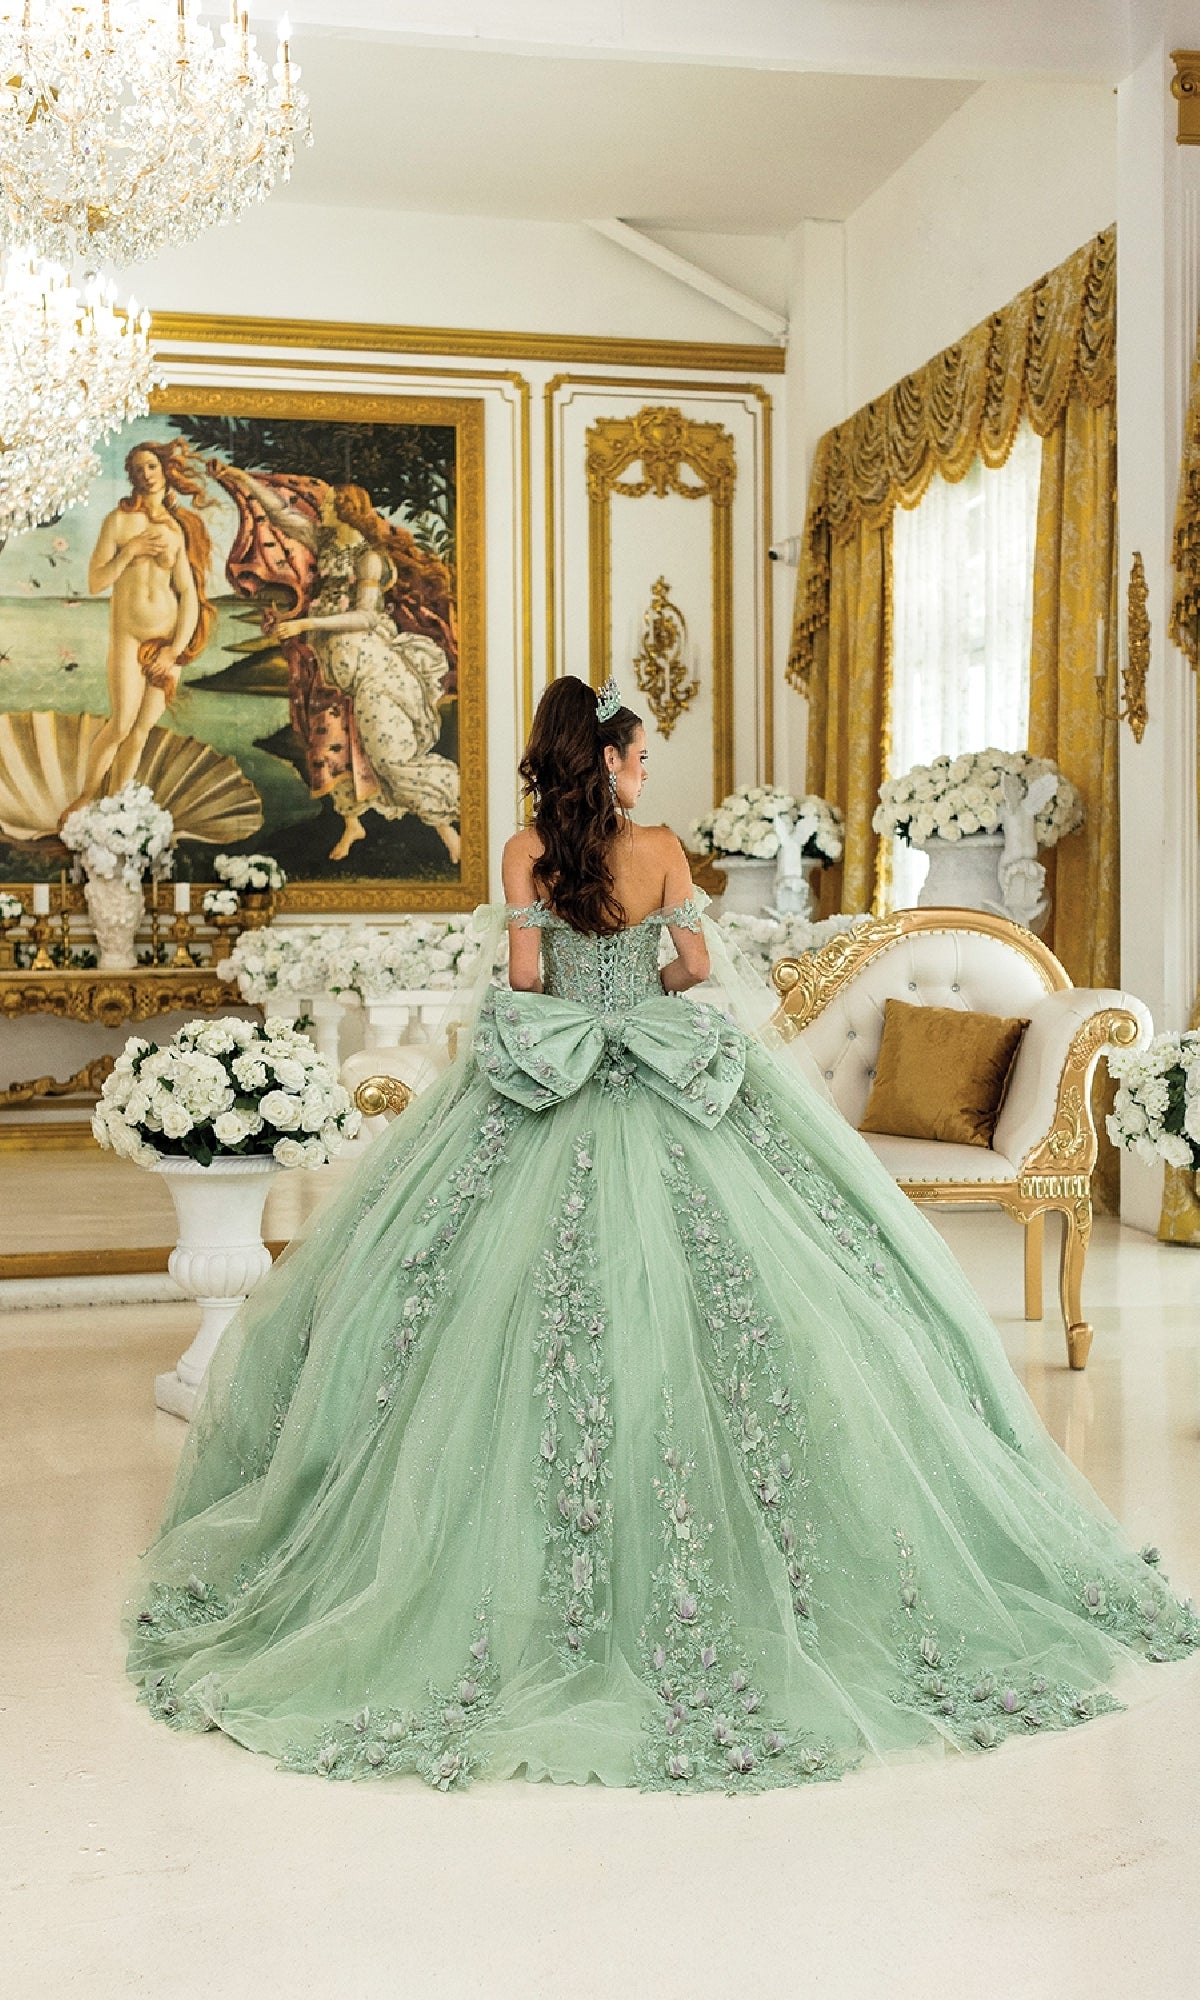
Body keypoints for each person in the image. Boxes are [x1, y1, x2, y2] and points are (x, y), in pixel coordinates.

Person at [126, 676, 1199, 1794]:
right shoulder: (665, 849)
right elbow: (692, 972)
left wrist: (582, 986)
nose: (645, 776)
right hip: (670, 1080)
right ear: (609, 764)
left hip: (551, 1087)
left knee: (472, 1308)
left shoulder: (523, 852)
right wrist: (652, 956)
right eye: (636, 760)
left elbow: (528, 980)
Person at [217, 467, 461, 865]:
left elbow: (366, 618)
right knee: (326, 744)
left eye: (329, 504)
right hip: (329, 665)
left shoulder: (369, 558)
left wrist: (306, 623)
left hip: (369, 667)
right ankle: (352, 822)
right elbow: (280, 514)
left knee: (388, 754)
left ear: (346, 510)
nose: (321, 507)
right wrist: (241, 481)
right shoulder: (326, 541)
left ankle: (447, 832)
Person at [65, 441, 216, 814]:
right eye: (137, 469)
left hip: (167, 641)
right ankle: (86, 797)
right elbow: (97, 582)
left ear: (165, 469)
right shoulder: (118, 522)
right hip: (128, 636)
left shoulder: (178, 528)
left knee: (141, 730)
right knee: (120, 725)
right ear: (131, 476)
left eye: (151, 466)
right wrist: (130, 551)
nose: (145, 475)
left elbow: (188, 594)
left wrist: (174, 650)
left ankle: (114, 807)